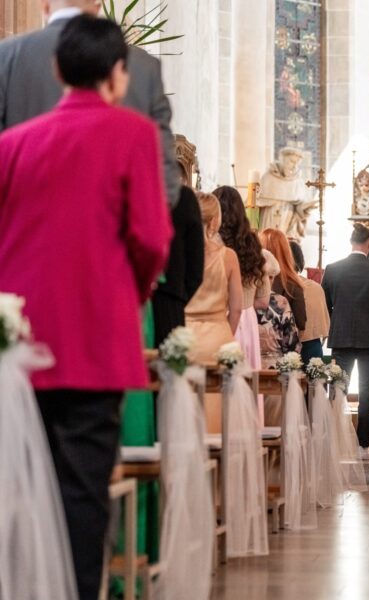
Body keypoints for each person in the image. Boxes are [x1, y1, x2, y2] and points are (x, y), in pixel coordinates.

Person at [0, 16, 172, 599]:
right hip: (95, 343)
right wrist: (129, 292)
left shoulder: (11, 144)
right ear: (119, 75)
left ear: (56, 69)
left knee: (22, 488)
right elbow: (151, 238)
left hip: (20, 346)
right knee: (81, 493)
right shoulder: (132, 136)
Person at [0, 0, 180, 207]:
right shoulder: (142, 65)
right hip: (117, 234)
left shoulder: (6, 57)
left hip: (27, 233)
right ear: (98, 4)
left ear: (44, 4)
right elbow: (164, 181)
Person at [321, 224, 369, 460]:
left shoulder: (332, 269)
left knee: (338, 389)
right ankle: (363, 446)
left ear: (351, 242)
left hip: (341, 338)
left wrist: (338, 322)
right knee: (367, 393)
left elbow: (325, 306)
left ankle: (333, 443)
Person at [185, 193, 243, 363]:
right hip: (218, 340)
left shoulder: (177, 254)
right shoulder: (229, 256)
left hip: (184, 339)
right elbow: (237, 309)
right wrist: (225, 336)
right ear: (214, 221)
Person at [214, 186, 266, 373]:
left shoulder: (212, 243)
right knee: (246, 380)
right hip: (247, 316)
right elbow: (264, 298)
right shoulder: (252, 243)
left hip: (220, 316)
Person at [152, 163, 205, 346]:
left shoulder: (119, 192)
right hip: (168, 301)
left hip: (124, 304)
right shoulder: (183, 198)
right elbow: (195, 271)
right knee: (166, 370)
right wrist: (177, 296)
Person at [259, 228, 307, 341]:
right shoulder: (292, 284)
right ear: (286, 251)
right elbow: (301, 324)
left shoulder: (249, 279)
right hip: (278, 346)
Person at [290, 241, 330, 362]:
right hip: (312, 347)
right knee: (314, 379)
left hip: (285, 349)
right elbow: (322, 328)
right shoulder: (315, 288)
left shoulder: (276, 287)